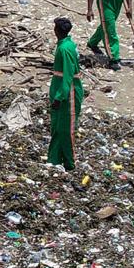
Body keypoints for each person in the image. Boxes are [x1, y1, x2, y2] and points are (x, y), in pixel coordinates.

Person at [46, 17, 85, 170]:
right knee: (57, 126)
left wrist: (60, 96)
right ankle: (54, 159)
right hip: (59, 90)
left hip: (68, 93)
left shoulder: (65, 48)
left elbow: (68, 75)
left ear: (57, 30)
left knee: (67, 129)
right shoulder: (65, 45)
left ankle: (70, 162)